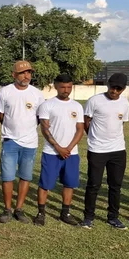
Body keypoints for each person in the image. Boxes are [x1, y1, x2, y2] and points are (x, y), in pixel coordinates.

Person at [0, 60, 45, 224]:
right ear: (14, 75)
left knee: (25, 177)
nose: (27, 76)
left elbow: (39, 117)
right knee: (7, 177)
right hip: (10, 141)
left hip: (30, 143)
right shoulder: (5, 92)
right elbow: (1, 115)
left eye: (29, 72)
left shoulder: (37, 94)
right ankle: (7, 209)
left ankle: (19, 209)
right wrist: (12, 130)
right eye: (23, 73)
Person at [80, 73, 129, 230]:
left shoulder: (125, 103)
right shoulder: (94, 101)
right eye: (112, 87)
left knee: (115, 185)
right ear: (107, 85)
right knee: (93, 184)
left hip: (118, 150)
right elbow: (86, 122)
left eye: (118, 88)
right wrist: (94, 139)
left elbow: (121, 124)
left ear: (123, 89)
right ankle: (88, 218)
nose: (114, 91)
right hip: (97, 150)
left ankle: (113, 217)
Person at [34, 73, 84, 226]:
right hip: (52, 153)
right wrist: (58, 147)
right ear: (55, 86)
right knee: (45, 184)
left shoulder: (77, 106)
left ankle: (65, 212)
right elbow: (44, 129)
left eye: (69, 87)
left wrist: (68, 148)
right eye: (62, 87)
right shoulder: (47, 105)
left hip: (71, 153)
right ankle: (41, 213)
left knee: (69, 184)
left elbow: (80, 130)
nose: (66, 90)